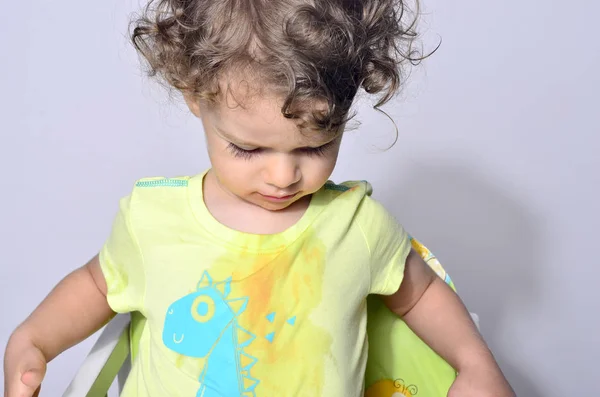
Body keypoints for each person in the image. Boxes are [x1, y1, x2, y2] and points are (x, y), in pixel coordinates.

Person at [3, 0, 515, 396]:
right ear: (194, 96)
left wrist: (476, 364)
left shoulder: (355, 223)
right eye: (247, 148)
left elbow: (420, 293)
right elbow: (97, 284)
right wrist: (32, 340)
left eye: (316, 145)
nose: (284, 176)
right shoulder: (153, 220)